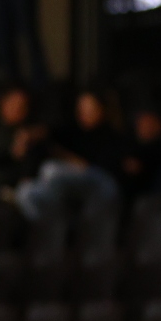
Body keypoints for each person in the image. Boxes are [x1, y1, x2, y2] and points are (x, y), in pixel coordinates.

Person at [16, 88, 124, 222]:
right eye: (81, 108)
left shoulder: (110, 134)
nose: (84, 113)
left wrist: (71, 160)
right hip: (66, 189)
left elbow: (90, 166)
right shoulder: (73, 130)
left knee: (50, 170)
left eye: (90, 109)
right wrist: (29, 137)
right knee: (25, 191)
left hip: (101, 185)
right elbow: (49, 134)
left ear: (102, 109)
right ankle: (53, 225)